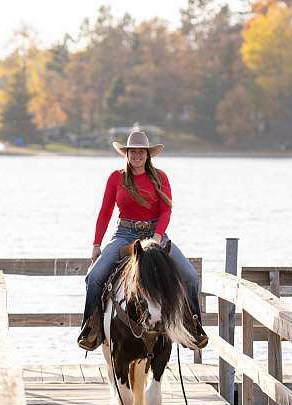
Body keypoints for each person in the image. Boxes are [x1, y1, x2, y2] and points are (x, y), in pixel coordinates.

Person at [77, 130, 208, 351]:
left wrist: (157, 237)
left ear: (148, 155)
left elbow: (166, 211)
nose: (137, 155)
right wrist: (96, 244)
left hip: (155, 233)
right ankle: (92, 328)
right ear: (126, 154)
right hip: (124, 234)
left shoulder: (160, 177)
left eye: (141, 152)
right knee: (94, 277)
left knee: (191, 276)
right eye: (133, 151)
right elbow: (105, 213)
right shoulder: (116, 178)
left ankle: (193, 325)